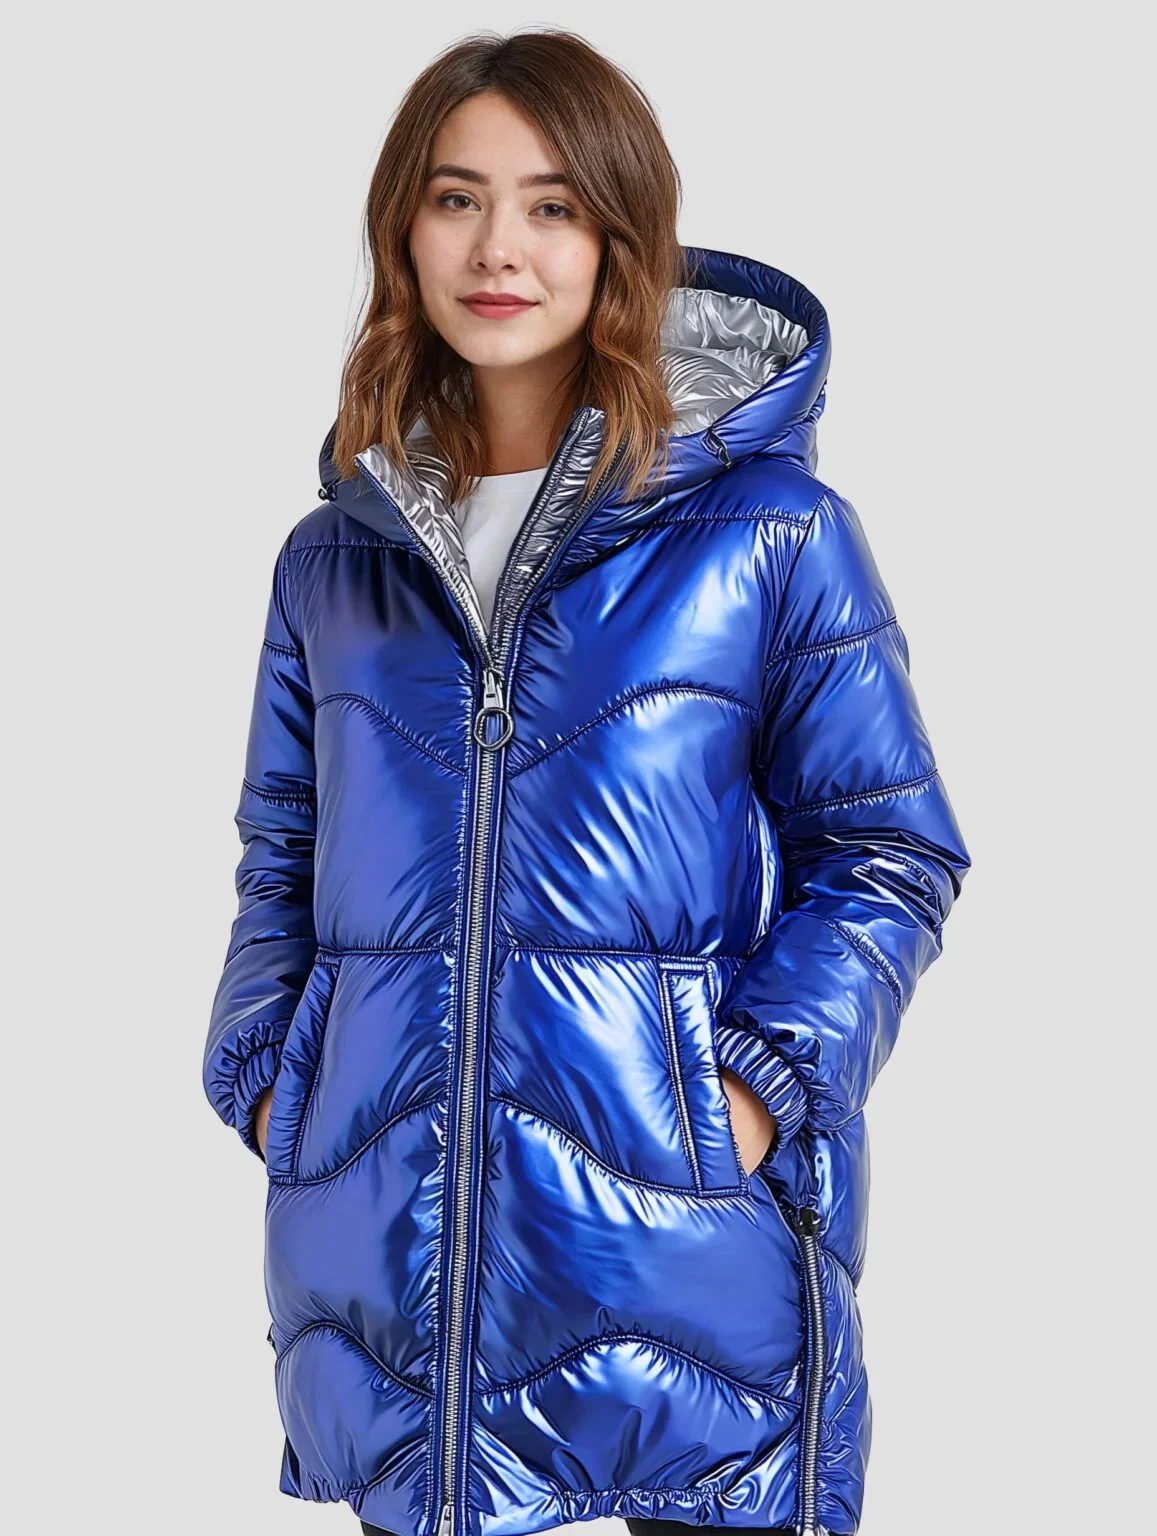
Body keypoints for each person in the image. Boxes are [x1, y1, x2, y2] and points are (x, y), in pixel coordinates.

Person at [202, 27, 970, 1536]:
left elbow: (890, 851)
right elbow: (280, 856)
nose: (500, 248)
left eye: (552, 206)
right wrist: (269, 1078)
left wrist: (752, 1089)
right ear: (402, 232)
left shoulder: (773, 533)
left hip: (685, 1250)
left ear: (624, 239)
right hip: (390, 1259)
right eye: (457, 199)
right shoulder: (334, 562)